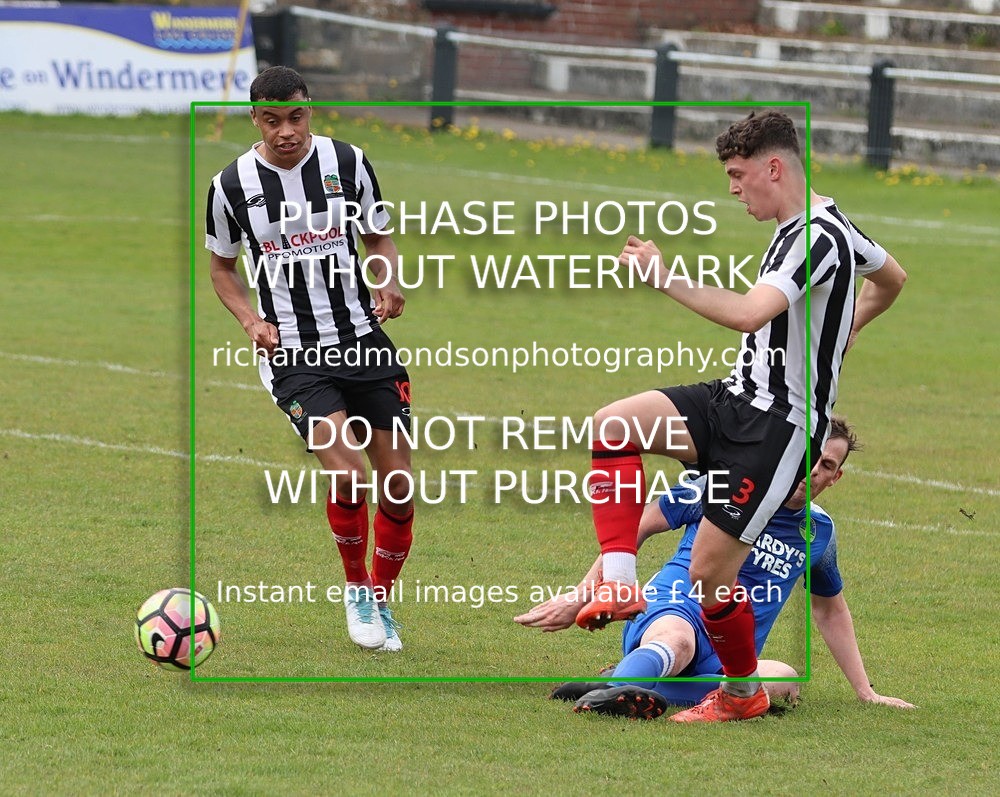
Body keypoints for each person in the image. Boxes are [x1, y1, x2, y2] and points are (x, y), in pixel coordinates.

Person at [573, 110, 907, 721]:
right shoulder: (824, 225)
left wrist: (664, 277)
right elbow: (892, 279)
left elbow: (752, 313)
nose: (731, 188)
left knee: (707, 573)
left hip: (777, 425)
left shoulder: (815, 237)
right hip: (733, 398)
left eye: (737, 174)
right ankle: (622, 581)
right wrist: (844, 328)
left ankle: (738, 694)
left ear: (772, 168)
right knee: (613, 424)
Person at [205, 66, 413, 652]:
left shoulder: (348, 162)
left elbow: (378, 238)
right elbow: (222, 267)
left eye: (295, 117)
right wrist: (250, 320)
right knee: (347, 472)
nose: (286, 131)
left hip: (363, 341)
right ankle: (355, 591)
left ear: (309, 111)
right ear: (255, 120)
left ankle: (379, 600)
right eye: (272, 120)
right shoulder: (230, 184)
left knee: (397, 487)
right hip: (294, 352)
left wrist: (389, 280)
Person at [516, 418, 916, 718]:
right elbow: (633, 527)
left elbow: (830, 609)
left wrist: (866, 691)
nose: (813, 470)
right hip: (675, 610)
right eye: (808, 456)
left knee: (786, 680)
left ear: (836, 476)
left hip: (731, 651)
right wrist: (586, 593)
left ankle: (628, 684)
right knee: (678, 640)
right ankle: (623, 686)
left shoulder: (819, 532)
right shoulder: (723, 486)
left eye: (827, 465)